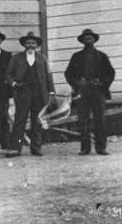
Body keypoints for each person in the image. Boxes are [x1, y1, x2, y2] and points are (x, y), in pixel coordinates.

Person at [65, 28, 116, 156]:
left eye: (90, 38)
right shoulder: (76, 57)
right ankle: (84, 148)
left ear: (94, 40)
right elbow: (68, 73)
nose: (88, 40)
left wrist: (102, 83)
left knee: (100, 120)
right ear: (82, 41)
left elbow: (110, 73)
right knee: (83, 120)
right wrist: (77, 83)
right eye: (86, 39)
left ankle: (101, 148)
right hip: (82, 92)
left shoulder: (102, 56)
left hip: (98, 91)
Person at [7, 31, 57, 157]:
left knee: (37, 121)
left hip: (39, 93)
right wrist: (14, 84)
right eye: (28, 42)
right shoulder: (16, 58)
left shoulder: (43, 58)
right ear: (24, 44)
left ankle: (36, 148)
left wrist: (51, 92)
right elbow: (8, 75)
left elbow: (48, 76)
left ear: (37, 45)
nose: (30, 45)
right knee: (20, 120)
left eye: (33, 43)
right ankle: (16, 148)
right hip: (23, 92)